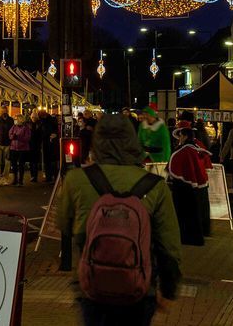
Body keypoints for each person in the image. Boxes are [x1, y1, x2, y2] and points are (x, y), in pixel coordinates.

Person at [57, 115, 182, 326]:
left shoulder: (76, 179)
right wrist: (169, 291)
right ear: (133, 141)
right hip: (139, 288)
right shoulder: (156, 186)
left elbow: (63, 225)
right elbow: (169, 246)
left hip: (91, 286)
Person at [167, 128, 212, 246]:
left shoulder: (186, 150)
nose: (179, 138)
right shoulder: (194, 148)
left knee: (186, 213)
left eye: (181, 135)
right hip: (196, 186)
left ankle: (187, 237)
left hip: (185, 187)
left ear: (186, 136)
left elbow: (177, 166)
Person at [0, 106, 14, 184]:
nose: (3, 112)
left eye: (4, 111)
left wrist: (11, 142)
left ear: (7, 111)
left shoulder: (11, 120)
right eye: (2, 111)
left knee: (7, 161)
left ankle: (5, 177)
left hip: (8, 143)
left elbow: (13, 131)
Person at [8, 113, 32, 186]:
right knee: (14, 165)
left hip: (22, 149)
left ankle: (20, 181)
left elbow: (27, 138)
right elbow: (9, 134)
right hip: (14, 148)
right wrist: (12, 137)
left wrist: (18, 137)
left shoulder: (26, 128)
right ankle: (14, 179)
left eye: (16, 119)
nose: (15, 120)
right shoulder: (14, 127)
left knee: (21, 165)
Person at [38, 109, 60, 182]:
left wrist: (54, 135)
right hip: (46, 141)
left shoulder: (50, 120)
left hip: (51, 141)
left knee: (51, 160)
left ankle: (52, 176)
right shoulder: (45, 120)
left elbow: (55, 129)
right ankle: (49, 176)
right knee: (48, 160)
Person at [29, 111, 42, 183]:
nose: (33, 118)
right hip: (30, 145)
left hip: (36, 145)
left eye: (34, 117)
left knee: (35, 162)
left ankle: (35, 176)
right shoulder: (29, 125)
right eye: (32, 117)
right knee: (32, 162)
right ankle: (32, 176)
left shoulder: (39, 125)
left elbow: (40, 135)